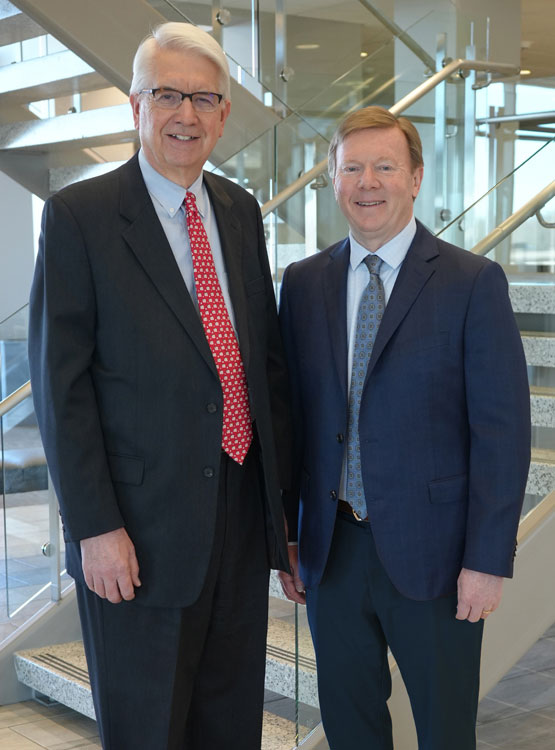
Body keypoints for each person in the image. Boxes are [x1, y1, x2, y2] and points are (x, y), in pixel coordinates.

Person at [28, 21, 291, 750]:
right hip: (135, 533)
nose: (186, 115)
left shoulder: (238, 211)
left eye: (204, 98)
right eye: (168, 94)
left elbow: (261, 366)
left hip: (238, 517)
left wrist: (283, 515)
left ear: (224, 114)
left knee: (229, 723)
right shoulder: (80, 216)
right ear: (134, 103)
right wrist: (94, 527)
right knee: (148, 729)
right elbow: (62, 388)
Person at [278, 106, 531, 749]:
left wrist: (486, 558)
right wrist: (285, 533)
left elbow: (502, 432)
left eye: (385, 166)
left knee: (446, 731)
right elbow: (292, 420)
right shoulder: (304, 284)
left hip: (438, 557)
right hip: (331, 552)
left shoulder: (473, 282)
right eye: (353, 168)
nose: (369, 182)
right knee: (350, 726)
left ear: (416, 178)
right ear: (332, 180)